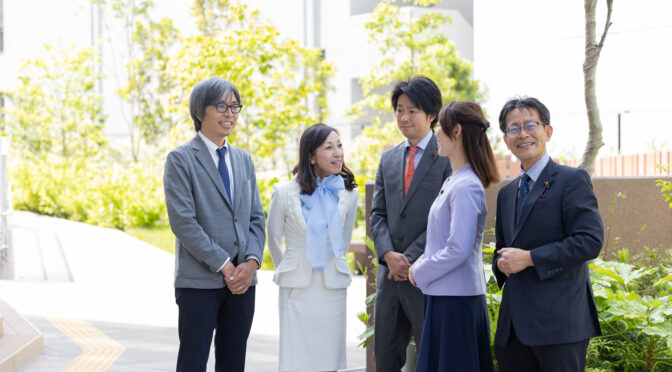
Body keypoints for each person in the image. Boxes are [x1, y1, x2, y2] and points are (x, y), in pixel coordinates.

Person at [492, 96, 603, 372]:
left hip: (560, 326)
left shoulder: (571, 180)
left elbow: (589, 241)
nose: (523, 134)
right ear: (506, 139)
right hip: (513, 329)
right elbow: (503, 249)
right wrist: (501, 263)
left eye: (530, 125)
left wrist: (529, 258)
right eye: (513, 128)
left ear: (547, 131)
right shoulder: (506, 194)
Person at [163, 77, 266, 372]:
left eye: (235, 107)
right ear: (199, 112)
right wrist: (225, 265)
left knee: (234, 362)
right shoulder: (181, 159)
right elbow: (183, 223)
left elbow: (256, 218)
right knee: (193, 362)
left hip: (243, 282)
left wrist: (251, 263)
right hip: (200, 281)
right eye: (221, 106)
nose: (230, 113)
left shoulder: (243, 159)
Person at [370, 76, 452, 371]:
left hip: (427, 275)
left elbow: (447, 219)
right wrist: (390, 256)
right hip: (390, 277)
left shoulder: (447, 158)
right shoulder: (388, 159)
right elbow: (377, 215)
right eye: (399, 110)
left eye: (412, 111)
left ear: (431, 115)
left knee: (433, 356)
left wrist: (410, 259)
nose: (403, 117)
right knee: (386, 357)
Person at [409, 100, 499, 371]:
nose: (435, 132)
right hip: (446, 297)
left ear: (457, 131)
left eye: (440, 127)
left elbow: (458, 248)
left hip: (455, 302)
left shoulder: (465, 185)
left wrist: (419, 269)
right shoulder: (456, 179)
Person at [266, 123, 359, 372]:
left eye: (339, 145)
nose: (338, 153)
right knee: (297, 361)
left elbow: (345, 239)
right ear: (311, 156)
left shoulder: (349, 194)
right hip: (297, 288)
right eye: (329, 147)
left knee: (330, 360)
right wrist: (289, 267)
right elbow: (273, 237)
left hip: (332, 287)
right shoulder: (284, 192)